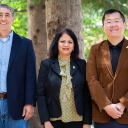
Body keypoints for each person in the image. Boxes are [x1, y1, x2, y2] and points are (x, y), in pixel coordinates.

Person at [36, 28, 92, 128]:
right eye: (62, 41)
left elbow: (87, 94)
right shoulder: (46, 64)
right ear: (56, 44)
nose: (66, 45)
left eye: (70, 42)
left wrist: (87, 123)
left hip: (78, 120)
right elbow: (40, 94)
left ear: (74, 45)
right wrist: (46, 121)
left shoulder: (82, 64)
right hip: (53, 120)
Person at [86, 9, 128, 128]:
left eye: (116, 21)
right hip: (102, 115)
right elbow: (91, 79)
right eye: (108, 22)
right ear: (103, 27)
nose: (113, 25)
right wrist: (106, 105)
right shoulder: (95, 50)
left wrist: (123, 104)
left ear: (124, 24)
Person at [0, 4, 36, 128]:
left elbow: (30, 76)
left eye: (7, 15)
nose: (3, 18)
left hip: (18, 105)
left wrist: (30, 103)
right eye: (0, 15)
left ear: (12, 19)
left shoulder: (25, 44)